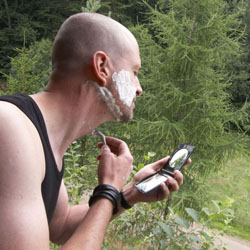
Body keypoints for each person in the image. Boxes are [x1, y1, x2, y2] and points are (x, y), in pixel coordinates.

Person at [0, 13, 189, 250]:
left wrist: (129, 194)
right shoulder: (9, 127)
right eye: (134, 72)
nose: (139, 89)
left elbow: (60, 225)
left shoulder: (41, 137)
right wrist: (107, 190)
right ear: (101, 66)